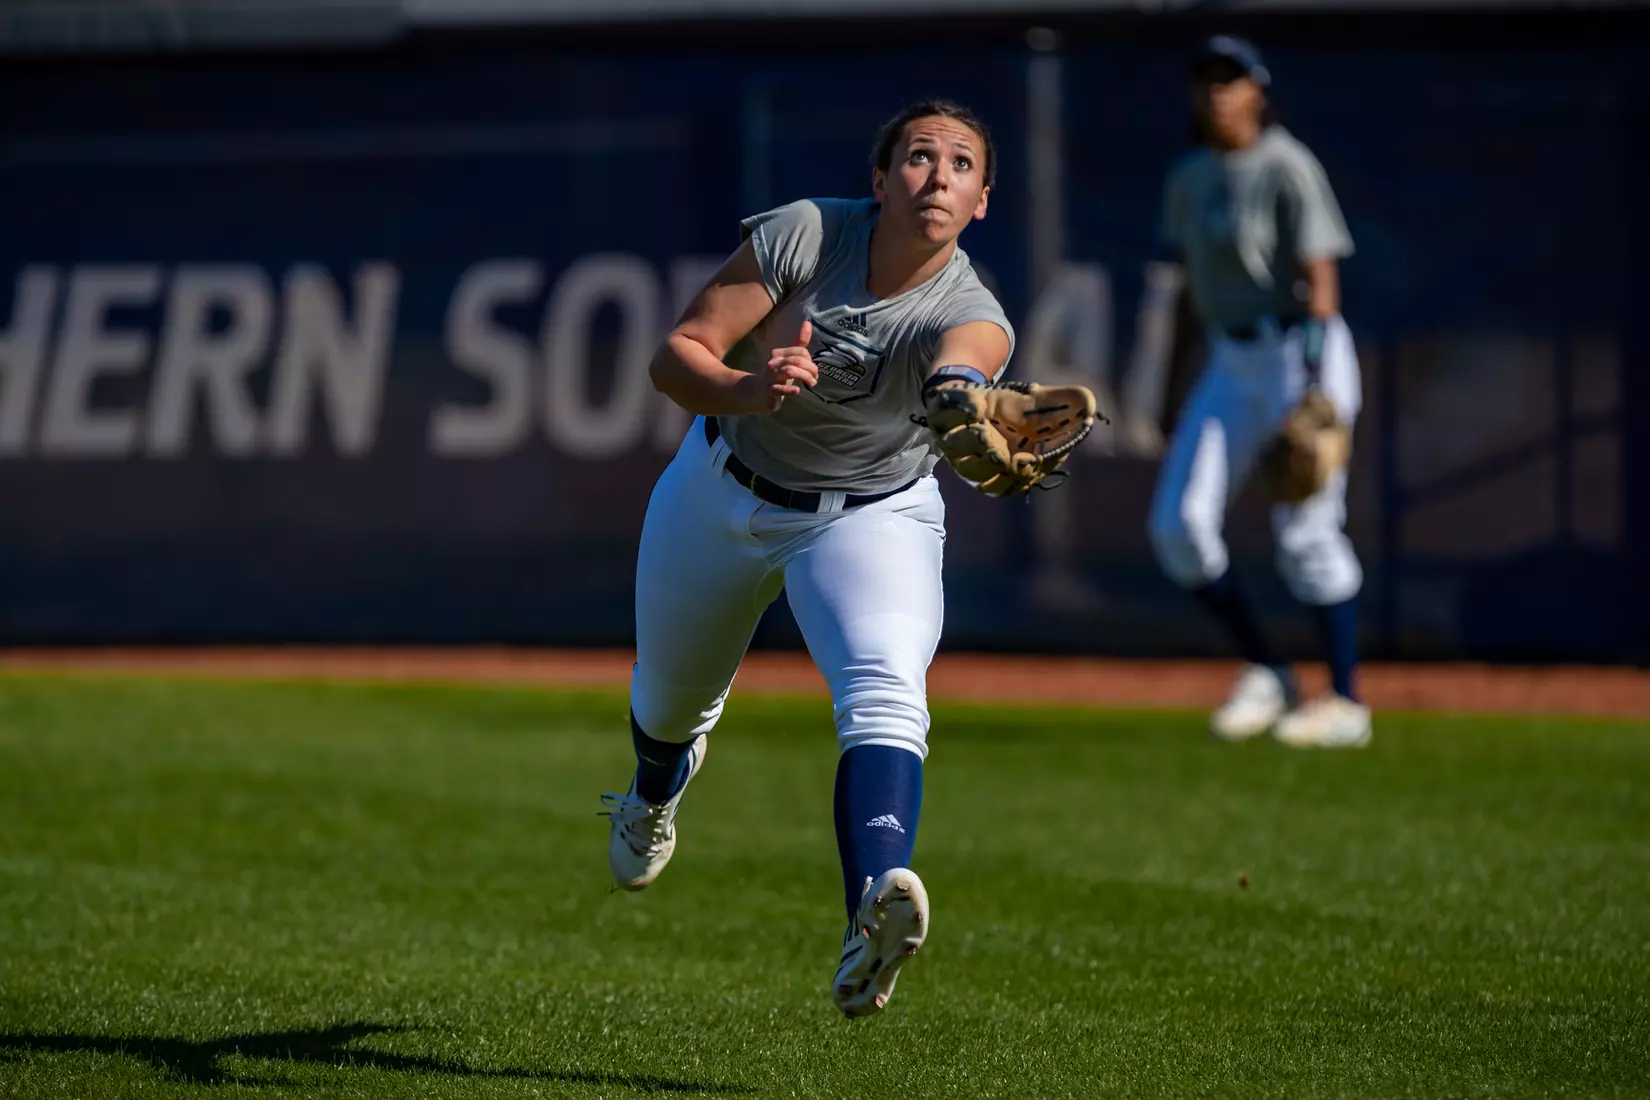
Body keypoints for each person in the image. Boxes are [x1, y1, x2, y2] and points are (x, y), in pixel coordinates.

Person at [599, 99, 1015, 1018]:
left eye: (961, 164)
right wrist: (750, 387)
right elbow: (677, 359)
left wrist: (959, 392)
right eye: (917, 156)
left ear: (983, 199)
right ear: (881, 180)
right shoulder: (809, 233)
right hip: (722, 483)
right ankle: (652, 791)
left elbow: (967, 362)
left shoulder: (974, 310)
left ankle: (870, 911)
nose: (937, 175)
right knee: (670, 704)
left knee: (886, 691)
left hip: (868, 516)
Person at [1149, 35, 1371, 748]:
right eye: (1208, 79)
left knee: (1306, 530)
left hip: (1297, 355)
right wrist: (1168, 386)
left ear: (1258, 92)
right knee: (1179, 526)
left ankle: (1345, 702)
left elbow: (1322, 287)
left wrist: (1310, 391)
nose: (1219, 92)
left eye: (1233, 79)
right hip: (1228, 359)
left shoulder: (1287, 164)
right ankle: (1270, 670)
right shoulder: (1188, 177)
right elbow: (1188, 292)